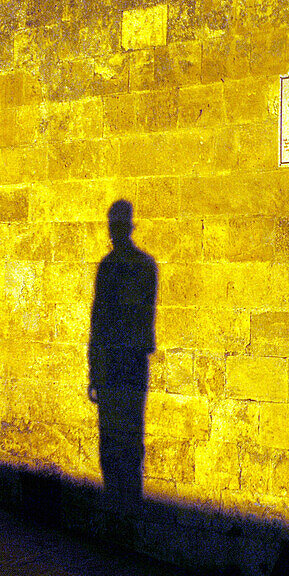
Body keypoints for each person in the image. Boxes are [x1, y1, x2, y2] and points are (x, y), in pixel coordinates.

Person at [88, 200, 157, 503]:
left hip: (117, 363)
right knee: (127, 438)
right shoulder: (143, 265)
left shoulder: (116, 266)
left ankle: (119, 504)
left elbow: (100, 321)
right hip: (130, 361)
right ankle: (125, 504)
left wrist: (95, 369)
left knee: (115, 440)